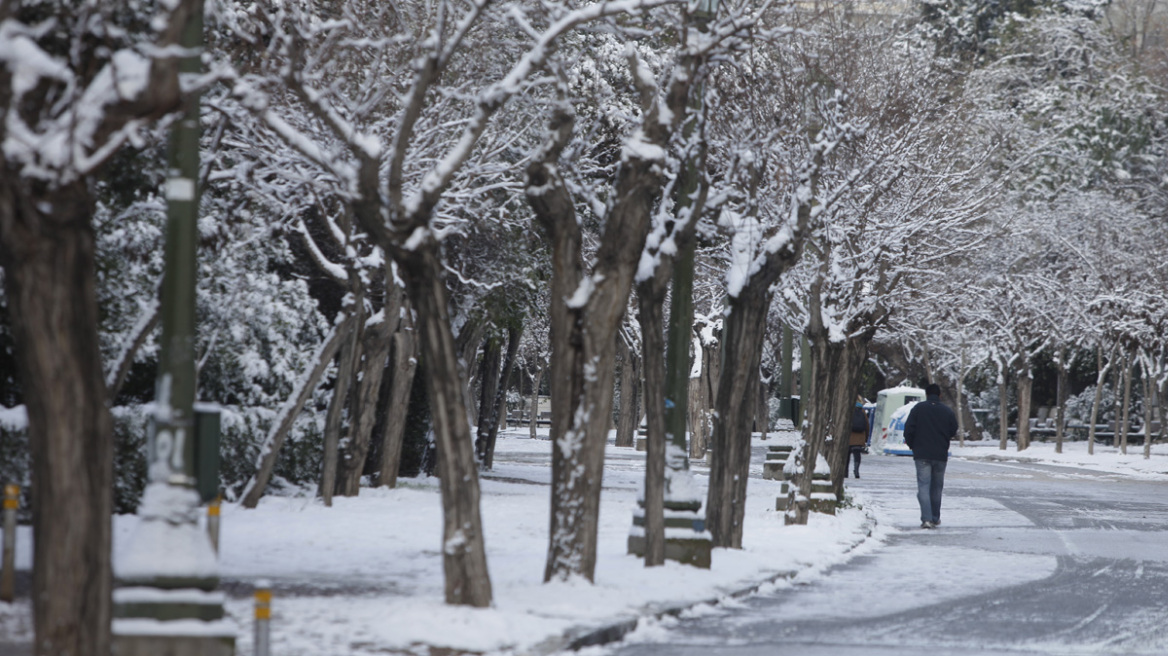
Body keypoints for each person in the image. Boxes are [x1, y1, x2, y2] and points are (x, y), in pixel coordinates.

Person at [903, 383, 958, 530]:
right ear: (940, 395)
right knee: (937, 487)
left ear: (926, 395)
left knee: (923, 486)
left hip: (922, 454)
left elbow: (908, 429)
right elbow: (953, 430)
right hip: (940, 455)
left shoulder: (918, 409)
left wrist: (912, 445)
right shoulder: (947, 411)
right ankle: (935, 517)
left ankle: (926, 519)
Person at [845, 396, 868, 479]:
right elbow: (867, 426)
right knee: (857, 455)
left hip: (848, 438)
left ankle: (845, 472)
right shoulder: (862, 410)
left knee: (846, 456)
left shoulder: (847, 410)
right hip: (859, 438)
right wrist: (865, 439)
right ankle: (856, 470)